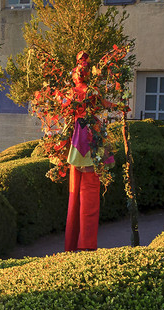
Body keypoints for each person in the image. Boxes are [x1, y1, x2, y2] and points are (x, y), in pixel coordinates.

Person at [64, 51, 114, 252]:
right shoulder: (89, 91)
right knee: (86, 184)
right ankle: (84, 242)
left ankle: (81, 242)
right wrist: (119, 105)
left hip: (83, 133)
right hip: (87, 132)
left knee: (85, 184)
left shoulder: (74, 92)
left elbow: (66, 109)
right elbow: (104, 105)